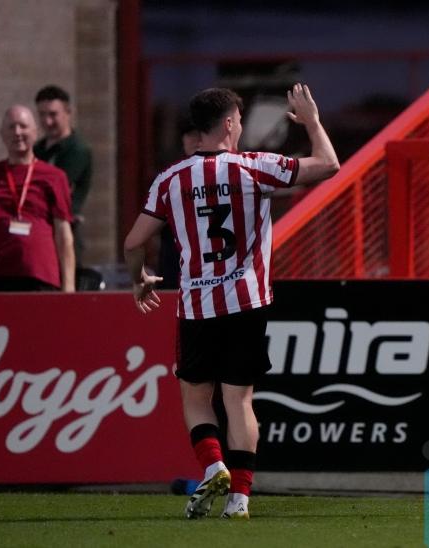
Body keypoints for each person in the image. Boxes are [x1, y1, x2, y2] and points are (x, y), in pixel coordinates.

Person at [123, 85, 339, 520]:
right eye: (239, 119)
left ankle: (213, 465)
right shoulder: (252, 167)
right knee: (239, 401)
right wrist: (312, 121)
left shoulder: (170, 179)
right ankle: (239, 498)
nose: (241, 126)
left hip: (197, 307)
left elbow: (134, 242)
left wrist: (139, 278)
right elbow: (329, 165)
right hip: (247, 302)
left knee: (196, 397)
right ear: (227, 123)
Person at [0, 105, 75, 292]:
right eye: (11, 127)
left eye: (23, 126)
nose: (17, 132)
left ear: (35, 133)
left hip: (39, 277)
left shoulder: (54, 176)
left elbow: (64, 236)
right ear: (2, 134)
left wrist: (69, 289)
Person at [34, 85, 93, 265]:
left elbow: (52, 189)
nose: (47, 121)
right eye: (42, 115)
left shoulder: (77, 150)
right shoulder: (37, 149)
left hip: (64, 234)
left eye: (53, 114)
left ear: (68, 112)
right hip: (38, 232)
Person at [157, 116, 201, 290]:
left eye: (201, 134)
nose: (196, 140)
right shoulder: (171, 176)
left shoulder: (223, 172)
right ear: (182, 139)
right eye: (190, 135)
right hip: (175, 262)